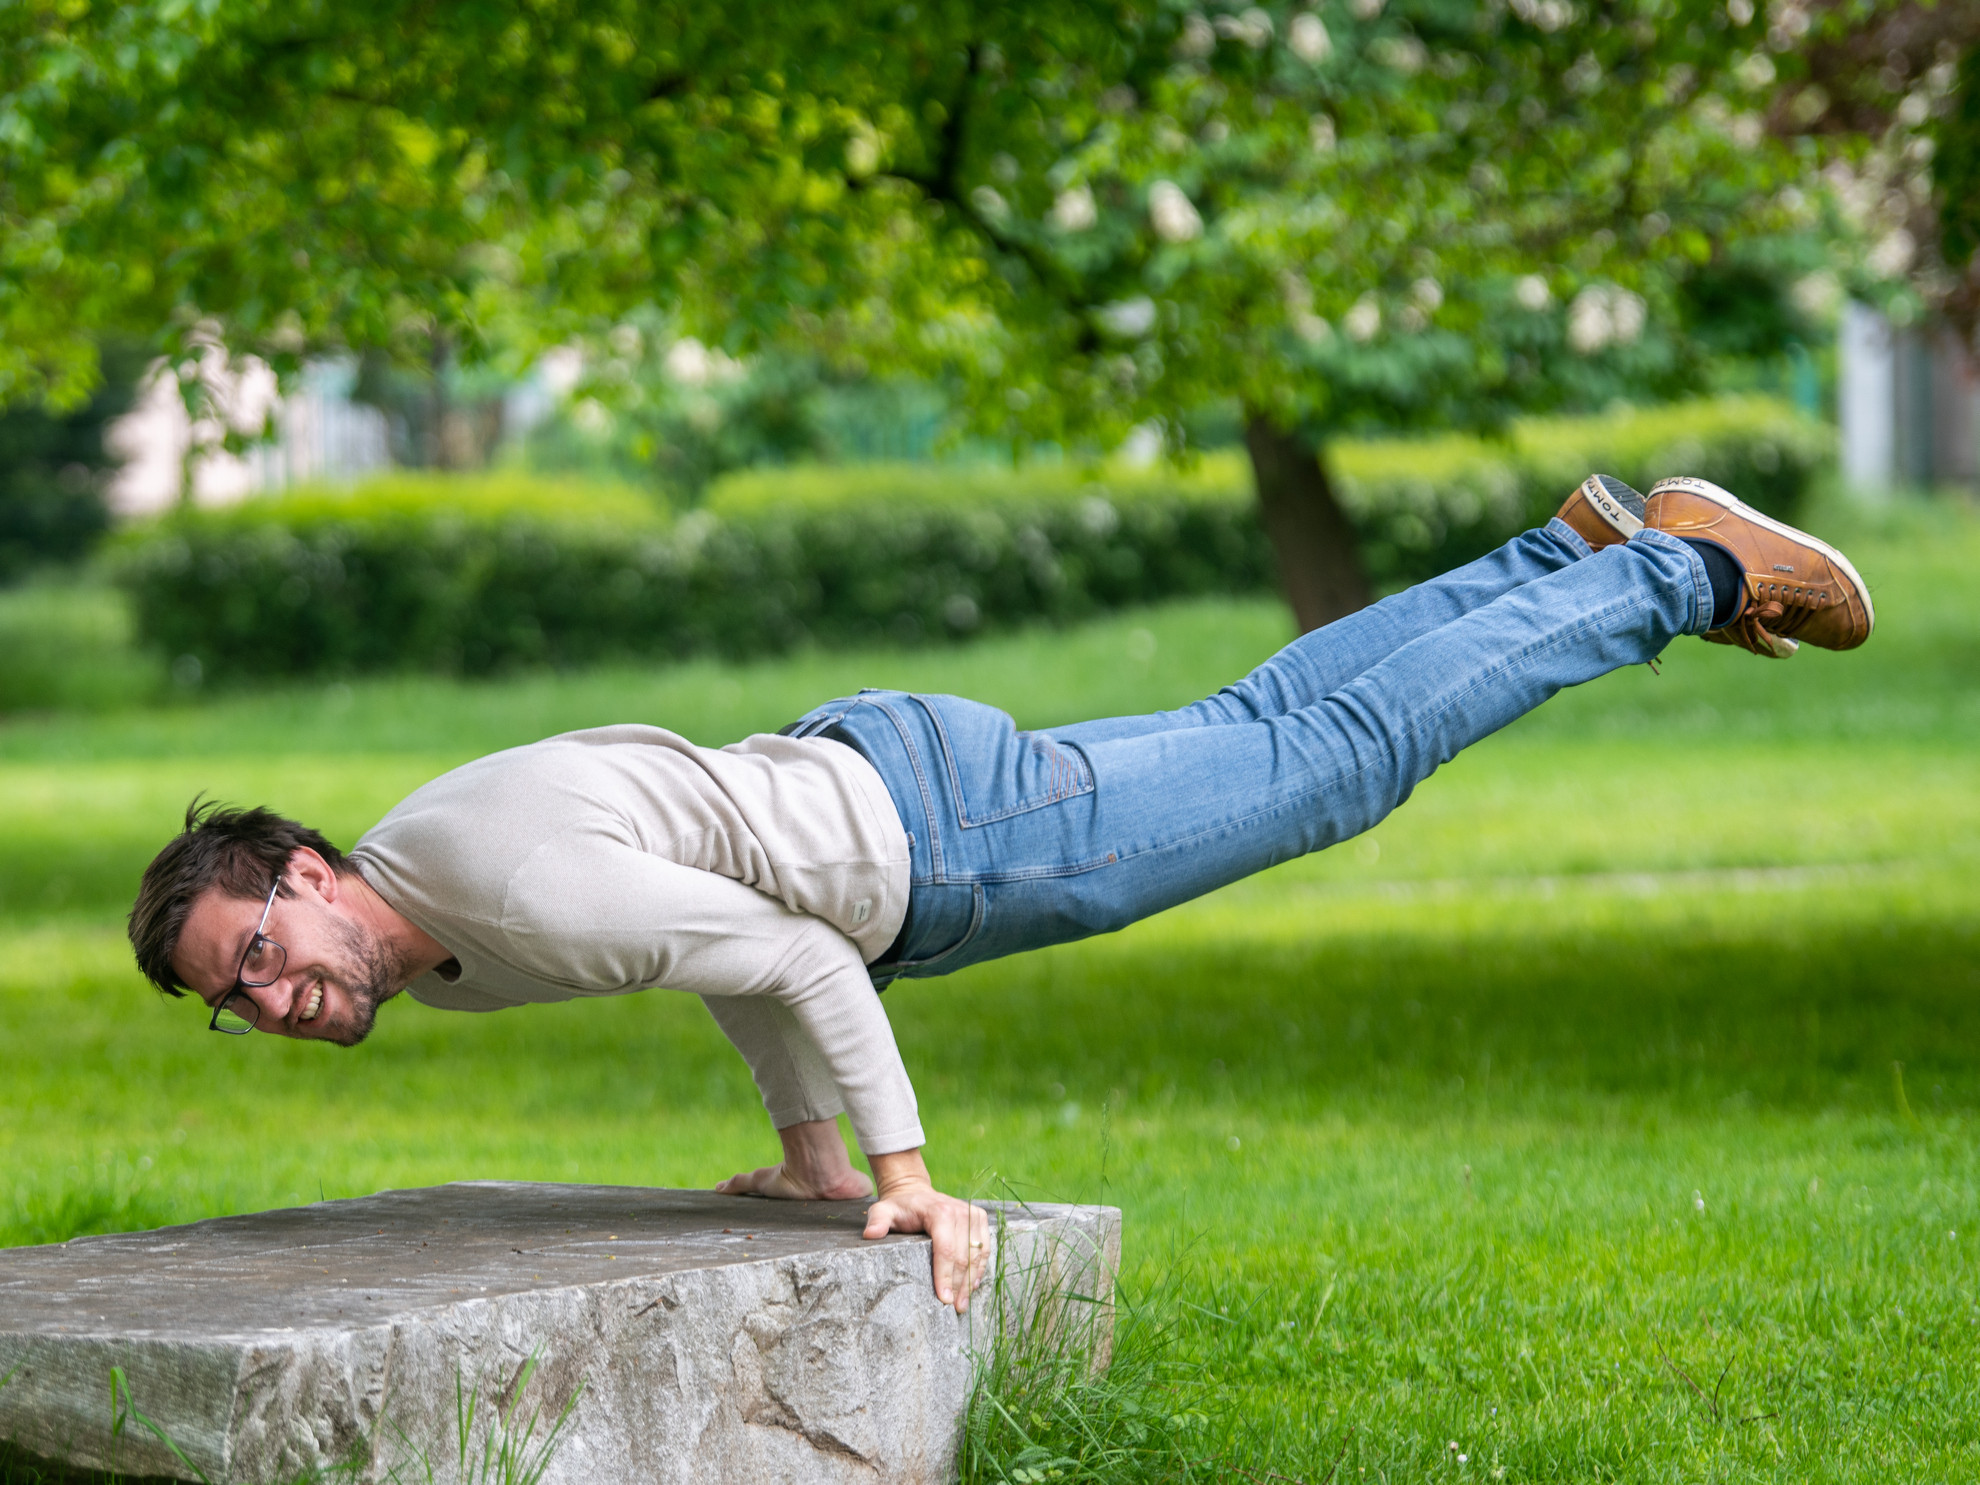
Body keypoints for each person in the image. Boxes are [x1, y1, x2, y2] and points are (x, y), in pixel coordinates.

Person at [126, 475, 1872, 1313]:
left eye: (263, 950)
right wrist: (807, 1153)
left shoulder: (489, 888)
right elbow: (705, 926)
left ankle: (1686, 568)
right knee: (1271, 722)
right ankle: (1563, 555)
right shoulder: (430, 936)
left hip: (950, 843)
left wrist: (903, 1179)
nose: (276, 1000)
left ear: (303, 870)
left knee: (1331, 757)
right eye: (240, 1000)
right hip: (885, 780)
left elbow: (795, 949)